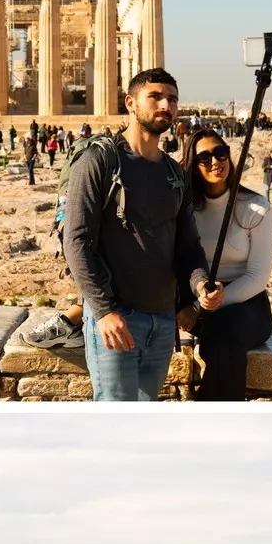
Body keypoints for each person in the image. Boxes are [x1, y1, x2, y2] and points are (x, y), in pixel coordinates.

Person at [61, 68, 215, 400]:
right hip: (116, 319)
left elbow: (187, 245)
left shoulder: (174, 174)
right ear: (131, 103)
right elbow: (76, 240)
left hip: (162, 323)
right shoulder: (99, 161)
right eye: (155, 97)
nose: (166, 105)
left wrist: (201, 283)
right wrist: (102, 311)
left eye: (172, 99)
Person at [187, 128, 272, 400]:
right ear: (193, 164)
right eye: (204, 157)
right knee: (219, 339)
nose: (215, 161)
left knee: (225, 333)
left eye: (220, 152)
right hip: (199, 298)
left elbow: (258, 276)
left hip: (247, 304)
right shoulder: (185, 208)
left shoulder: (256, 207)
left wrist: (201, 307)